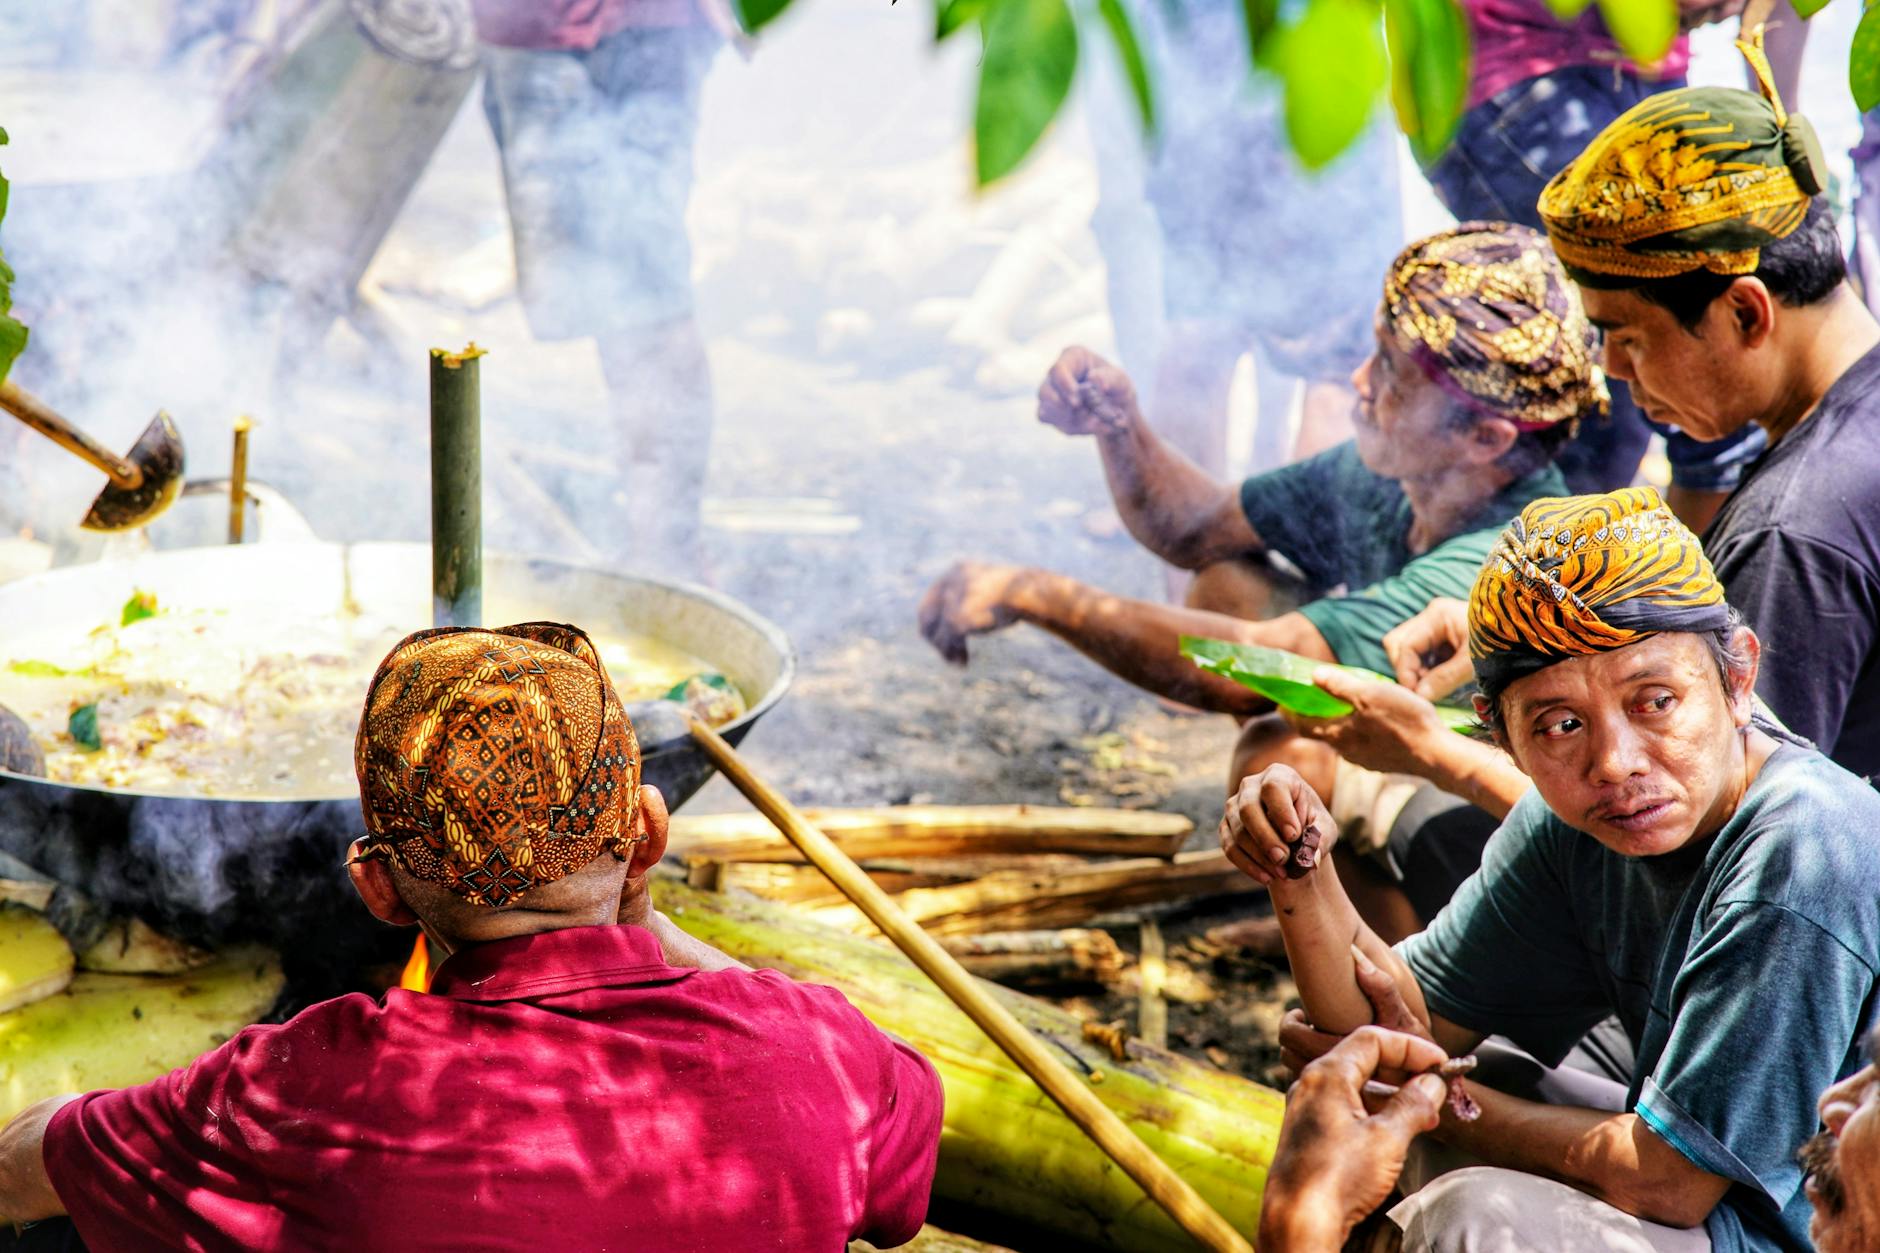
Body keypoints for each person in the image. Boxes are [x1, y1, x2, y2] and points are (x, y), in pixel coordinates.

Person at [0, 623, 943, 1248]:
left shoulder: (307, 1088)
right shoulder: (812, 1053)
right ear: (646, 834)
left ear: (376, 888)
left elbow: (26, 1171)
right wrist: (648, 914)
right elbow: (906, 1135)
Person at [1224, 488, 1880, 1251]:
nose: (1614, 762)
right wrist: (1298, 869)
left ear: (1737, 681)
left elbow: (1668, 1182)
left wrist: (1423, 1095)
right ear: (1504, 739)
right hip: (1706, 1200)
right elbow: (1387, 1025)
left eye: (1657, 700)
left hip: (1816, 1232)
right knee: (1441, 1088)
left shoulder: (1804, 849)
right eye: (1561, 724)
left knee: (1470, 1217)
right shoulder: (1578, 820)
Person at [918, 224, 1597, 758]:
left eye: (1390, 372)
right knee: (1229, 580)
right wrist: (1120, 425)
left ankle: (1364, 931)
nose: (1359, 382)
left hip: (1494, 838)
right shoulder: (1396, 474)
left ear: (1485, 438)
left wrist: (1041, 595)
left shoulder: (1498, 559)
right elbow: (1198, 529)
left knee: (1286, 747)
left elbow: (1257, 664)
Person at [1538, 40, 1880, 777]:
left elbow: (1715, 811)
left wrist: (1430, 749)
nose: (1610, 367)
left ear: (1746, 313)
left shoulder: (1792, 532)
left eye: (1625, 335)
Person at [1422, 0, 1769, 530]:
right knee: (1672, 362)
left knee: (1652, 386)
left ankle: (1594, 584)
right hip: (1517, 65)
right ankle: (1533, 587)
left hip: (1641, 71)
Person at [473, 0, 729, 576]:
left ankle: (669, 561)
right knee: (620, 304)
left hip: (607, 34)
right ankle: (658, 546)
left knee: (645, 307)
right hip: (538, 30)